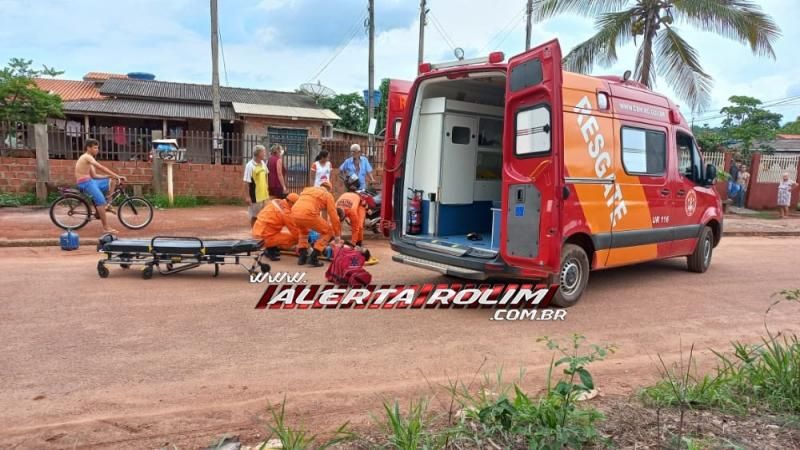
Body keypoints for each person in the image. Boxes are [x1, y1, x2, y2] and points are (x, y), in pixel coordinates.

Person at [74, 138, 126, 233]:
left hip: (91, 181)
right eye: (95, 148)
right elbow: (101, 167)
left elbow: (94, 176)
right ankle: (106, 227)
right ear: (88, 148)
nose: (97, 150)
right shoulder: (87, 157)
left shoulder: (90, 158)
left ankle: (108, 204)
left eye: (97, 148)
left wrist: (110, 176)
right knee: (101, 202)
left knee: (112, 180)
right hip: (85, 183)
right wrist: (117, 175)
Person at [290, 181, 342, 267]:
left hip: (294, 213)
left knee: (303, 232)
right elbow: (334, 216)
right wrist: (337, 235)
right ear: (329, 189)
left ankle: (302, 257)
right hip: (308, 213)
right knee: (328, 231)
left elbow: (311, 205)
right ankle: (314, 257)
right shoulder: (327, 195)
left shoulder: (308, 190)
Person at [252, 193, 299, 261]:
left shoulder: (276, 201)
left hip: (257, 232)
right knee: (294, 238)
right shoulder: (286, 213)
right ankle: (270, 249)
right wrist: (305, 241)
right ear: (290, 202)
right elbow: (295, 231)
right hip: (264, 237)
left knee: (275, 232)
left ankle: (271, 249)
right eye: (295, 205)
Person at [336, 175, 368, 246]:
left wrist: (353, 244)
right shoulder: (335, 208)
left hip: (360, 205)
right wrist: (337, 240)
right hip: (349, 199)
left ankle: (359, 243)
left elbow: (355, 228)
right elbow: (334, 226)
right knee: (336, 225)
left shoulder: (352, 211)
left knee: (359, 226)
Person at [243, 145, 269, 226]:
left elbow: (266, 176)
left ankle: (260, 232)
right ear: (258, 153)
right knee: (255, 217)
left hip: (264, 195)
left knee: (263, 216)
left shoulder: (263, 164)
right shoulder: (250, 165)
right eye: (263, 152)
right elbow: (246, 182)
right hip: (255, 196)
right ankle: (254, 233)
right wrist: (247, 197)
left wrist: (267, 189)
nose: (265, 153)